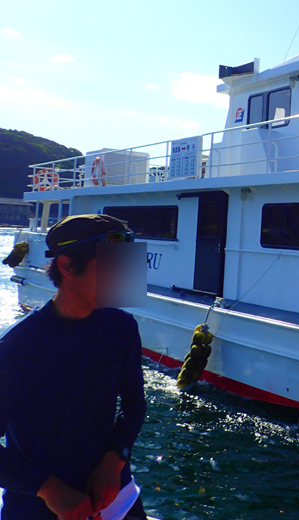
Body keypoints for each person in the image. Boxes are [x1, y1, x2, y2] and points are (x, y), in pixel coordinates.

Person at [0, 214, 148, 520]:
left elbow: (134, 403)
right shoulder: (17, 345)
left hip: (114, 495)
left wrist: (114, 461)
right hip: (38, 505)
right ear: (67, 267)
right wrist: (51, 490)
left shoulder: (122, 327)